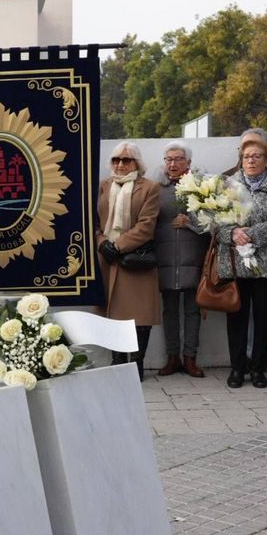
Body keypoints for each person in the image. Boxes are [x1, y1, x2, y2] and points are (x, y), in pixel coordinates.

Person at [217, 135, 267, 389]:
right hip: (236, 262)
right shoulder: (226, 185)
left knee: (264, 317)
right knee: (237, 317)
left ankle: (259, 369)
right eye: (246, 156)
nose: (250, 160)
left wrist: (251, 234)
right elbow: (210, 217)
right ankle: (237, 369)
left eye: (256, 156)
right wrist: (231, 233)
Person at [96, 142, 160, 381]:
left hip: (134, 260)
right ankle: (117, 363)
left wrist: (119, 245)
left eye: (126, 160)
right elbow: (92, 223)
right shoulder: (101, 186)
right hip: (107, 260)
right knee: (112, 314)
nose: (120, 164)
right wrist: (102, 243)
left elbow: (146, 225)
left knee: (139, 317)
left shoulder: (149, 188)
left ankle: (136, 363)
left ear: (137, 163)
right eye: (116, 160)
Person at [154, 142, 210, 378]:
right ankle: (172, 357)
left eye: (178, 159)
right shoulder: (156, 189)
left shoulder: (201, 187)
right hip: (164, 258)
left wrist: (189, 223)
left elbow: (212, 223)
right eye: (168, 159)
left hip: (193, 257)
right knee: (169, 311)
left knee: (192, 310)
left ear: (188, 162)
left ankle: (190, 358)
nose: (173, 164)